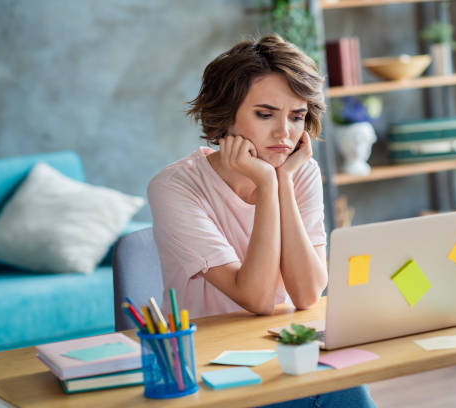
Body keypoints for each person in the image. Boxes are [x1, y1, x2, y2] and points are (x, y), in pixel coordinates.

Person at [148, 35, 376, 407]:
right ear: (226, 113)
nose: (285, 134)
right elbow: (257, 298)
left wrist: (282, 179)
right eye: (265, 114)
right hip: (211, 366)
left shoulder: (298, 172)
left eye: (297, 116)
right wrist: (268, 184)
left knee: (347, 387)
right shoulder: (175, 187)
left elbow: (306, 294)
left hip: (279, 347)